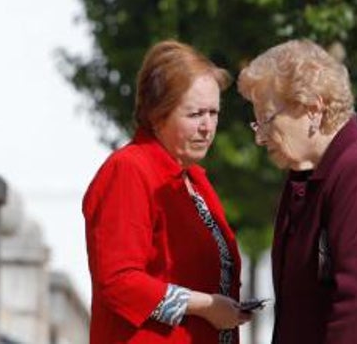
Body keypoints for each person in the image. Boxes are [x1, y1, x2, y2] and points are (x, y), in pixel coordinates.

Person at [237, 40, 357, 344]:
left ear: (313, 109)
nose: (261, 137)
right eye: (256, 124)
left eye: (267, 120)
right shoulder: (306, 173)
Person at [83, 40, 249, 343]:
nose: (207, 127)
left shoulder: (194, 180)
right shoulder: (129, 170)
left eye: (214, 113)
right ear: (158, 115)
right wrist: (204, 306)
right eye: (195, 114)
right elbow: (118, 280)